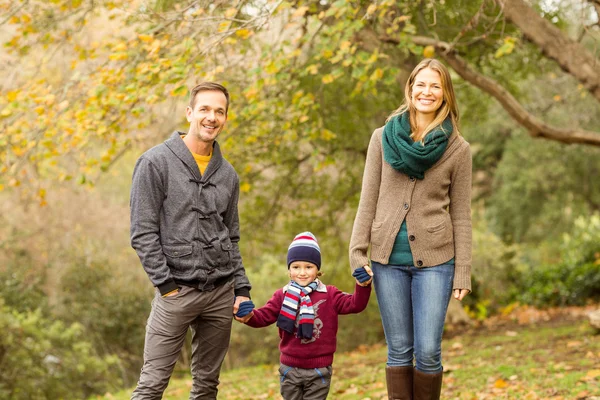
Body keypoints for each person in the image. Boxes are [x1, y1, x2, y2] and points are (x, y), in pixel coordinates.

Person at [349, 58, 472, 400]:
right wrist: (357, 251)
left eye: (435, 85)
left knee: (429, 350)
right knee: (399, 349)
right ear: (410, 88)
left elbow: (462, 215)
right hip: (387, 261)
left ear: (445, 93)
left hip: (436, 262)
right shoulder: (381, 138)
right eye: (421, 84)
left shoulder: (458, 150)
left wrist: (463, 271)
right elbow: (368, 198)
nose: (427, 92)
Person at [129, 82, 253, 399]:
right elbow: (142, 233)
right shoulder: (154, 163)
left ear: (225, 117)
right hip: (175, 292)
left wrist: (241, 289)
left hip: (221, 294)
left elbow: (231, 236)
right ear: (190, 113)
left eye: (219, 111)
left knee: (207, 387)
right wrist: (166, 285)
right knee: (151, 385)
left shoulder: (228, 175)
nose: (212, 117)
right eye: (205, 109)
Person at [236, 232, 373, 400]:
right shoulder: (282, 295)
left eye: (308, 267)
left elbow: (355, 304)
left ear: (317, 269)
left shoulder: (329, 294)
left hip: (319, 370)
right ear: (289, 269)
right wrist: (248, 315)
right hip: (289, 368)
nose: (302, 272)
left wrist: (362, 285)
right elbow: (263, 317)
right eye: (296, 267)